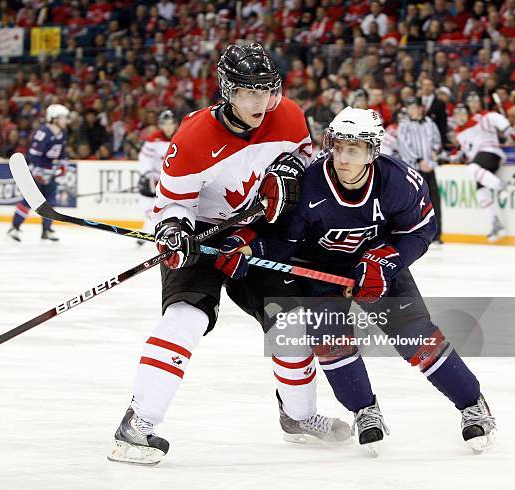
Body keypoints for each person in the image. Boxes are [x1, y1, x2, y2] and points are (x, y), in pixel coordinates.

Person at [109, 43, 350, 466]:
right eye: (249, 92)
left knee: (289, 322)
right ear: (228, 90)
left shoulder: (289, 115)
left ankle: (299, 416)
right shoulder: (194, 137)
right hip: (202, 234)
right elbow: (171, 205)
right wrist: (174, 232)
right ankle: (138, 424)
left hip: (258, 234)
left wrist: (292, 173)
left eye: (267, 90)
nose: (262, 101)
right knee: (185, 318)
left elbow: (304, 167)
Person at [217, 107, 497, 455]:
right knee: (330, 339)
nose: (343, 157)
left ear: (373, 151)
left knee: (415, 336)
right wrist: (249, 246)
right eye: (338, 147)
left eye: (354, 149)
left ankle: (472, 403)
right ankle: (365, 411)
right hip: (320, 270)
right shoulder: (310, 184)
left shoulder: (399, 182)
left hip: (377, 263)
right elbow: (284, 242)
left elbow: (421, 231)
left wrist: (389, 261)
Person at [452, 93, 513, 242]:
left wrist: (506, 129)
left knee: (471, 168)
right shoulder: (459, 132)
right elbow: (465, 151)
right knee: (481, 193)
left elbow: (495, 118)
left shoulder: (480, 119)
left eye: (463, 113)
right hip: (480, 161)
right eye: (457, 114)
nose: (460, 116)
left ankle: (501, 187)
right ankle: (496, 224)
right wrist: (453, 156)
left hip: (491, 153)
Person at [7, 104, 70, 242]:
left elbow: (62, 152)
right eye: (64, 117)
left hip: (50, 173)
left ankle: (46, 230)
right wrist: (37, 172)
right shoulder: (43, 133)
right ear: (54, 118)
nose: (67, 120)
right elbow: (33, 155)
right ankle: (14, 228)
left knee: (50, 202)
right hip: (37, 173)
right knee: (29, 201)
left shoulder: (62, 133)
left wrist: (63, 165)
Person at [397, 97, 443, 244]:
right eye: (409, 108)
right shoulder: (404, 125)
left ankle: (436, 234)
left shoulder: (430, 123)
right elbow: (404, 145)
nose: (411, 110)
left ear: (419, 108)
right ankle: (416, 234)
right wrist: (419, 160)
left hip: (429, 168)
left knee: (434, 201)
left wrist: (435, 151)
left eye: (413, 107)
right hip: (414, 170)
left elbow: (437, 141)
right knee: (415, 203)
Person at [136, 109, 178, 246]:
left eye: (170, 123)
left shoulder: (181, 137)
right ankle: (147, 232)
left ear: (175, 124)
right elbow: (144, 158)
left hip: (173, 180)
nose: (168, 127)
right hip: (155, 179)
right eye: (165, 124)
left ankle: (161, 233)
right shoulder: (154, 139)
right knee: (149, 208)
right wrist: (147, 174)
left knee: (171, 208)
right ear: (160, 125)